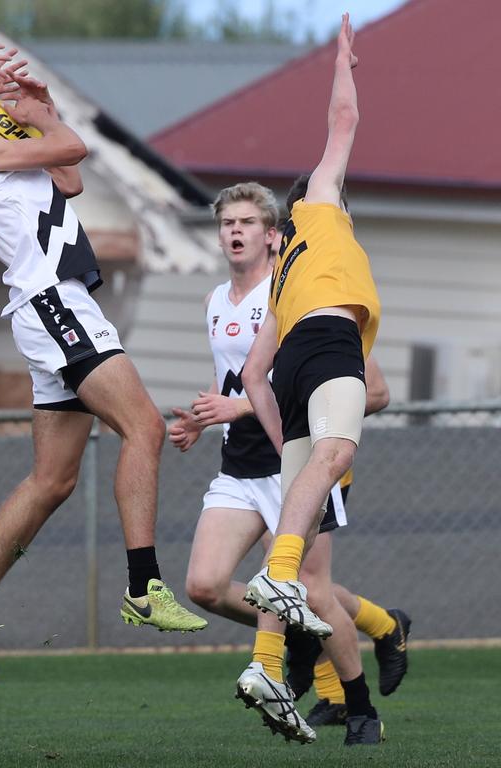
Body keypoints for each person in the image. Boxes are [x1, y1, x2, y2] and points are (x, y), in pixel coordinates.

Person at [0, 69, 206, 685]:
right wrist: (44, 119)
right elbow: (72, 148)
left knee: (51, 480)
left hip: (50, 306)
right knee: (143, 427)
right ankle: (145, 586)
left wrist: (44, 110)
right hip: (54, 303)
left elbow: (69, 178)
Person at [168, 182, 407, 740]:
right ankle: (362, 626)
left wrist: (244, 407)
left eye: (249, 222)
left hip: (293, 460)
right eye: (228, 222)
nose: (236, 231)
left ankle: (360, 706)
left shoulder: (302, 292)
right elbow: (232, 377)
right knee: (205, 586)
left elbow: (371, 390)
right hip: (239, 466)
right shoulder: (214, 302)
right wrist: (204, 418)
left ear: (275, 235)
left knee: (310, 589)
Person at [238, 14, 385, 745]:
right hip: (328, 346)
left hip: (295, 365)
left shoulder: (278, 284)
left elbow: (254, 375)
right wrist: (344, 65)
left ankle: (268, 659)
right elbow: (344, 121)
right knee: (337, 457)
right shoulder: (321, 212)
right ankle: (279, 597)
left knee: (296, 519)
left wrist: (281, 435)